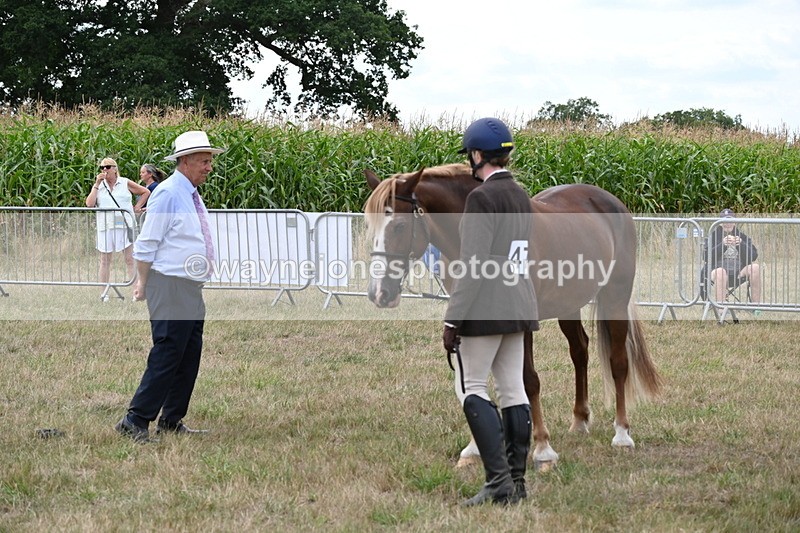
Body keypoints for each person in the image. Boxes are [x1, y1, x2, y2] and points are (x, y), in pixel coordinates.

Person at [442, 117, 538, 506]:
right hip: (519, 301)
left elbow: (473, 264)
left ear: (478, 155)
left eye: (471, 154)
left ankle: (497, 481)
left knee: (470, 386)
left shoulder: (481, 198)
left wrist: (453, 318)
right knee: (514, 389)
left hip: (486, 307)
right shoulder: (521, 195)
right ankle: (516, 483)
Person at [114, 130, 225, 442]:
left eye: (210, 161)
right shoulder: (168, 194)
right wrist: (142, 282)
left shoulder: (188, 192)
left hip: (188, 286)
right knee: (168, 352)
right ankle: (134, 420)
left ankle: (172, 419)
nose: (209, 167)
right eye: (204, 161)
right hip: (169, 283)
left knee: (188, 354)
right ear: (185, 161)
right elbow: (147, 243)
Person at [85, 157, 150, 301]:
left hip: (123, 223)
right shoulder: (99, 186)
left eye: (107, 167)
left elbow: (145, 192)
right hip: (105, 225)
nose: (104, 170)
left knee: (130, 259)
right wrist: (96, 184)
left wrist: (138, 206)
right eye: (102, 168)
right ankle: (104, 293)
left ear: (115, 169)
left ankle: (136, 292)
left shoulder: (125, 182)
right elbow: (89, 204)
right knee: (105, 260)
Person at [707, 208, 761, 303]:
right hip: (718, 272)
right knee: (721, 272)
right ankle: (721, 309)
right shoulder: (713, 236)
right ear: (720, 223)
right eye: (725, 221)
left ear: (735, 222)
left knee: (755, 267)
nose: (728, 224)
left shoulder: (742, 236)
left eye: (730, 221)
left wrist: (741, 245)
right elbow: (706, 257)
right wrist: (722, 245)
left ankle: (756, 307)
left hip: (738, 273)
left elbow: (754, 256)